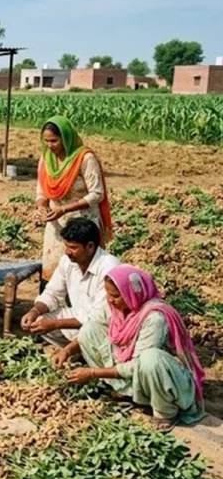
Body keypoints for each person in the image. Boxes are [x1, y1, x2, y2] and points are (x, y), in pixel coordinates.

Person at [54, 265, 206, 431]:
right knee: (88, 331)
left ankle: (166, 412)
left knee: (150, 359)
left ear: (131, 294)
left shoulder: (155, 317)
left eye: (116, 296)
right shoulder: (115, 307)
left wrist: (92, 373)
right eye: (108, 294)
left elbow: (137, 365)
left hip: (164, 378)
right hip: (133, 369)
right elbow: (94, 326)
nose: (110, 300)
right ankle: (128, 392)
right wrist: (66, 350)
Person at [36, 116, 113, 283]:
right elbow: (41, 190)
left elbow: (97, 193)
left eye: (54, 141)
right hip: (56, 223)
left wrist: (65, 209)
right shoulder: (45, 159)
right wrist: (41, 206)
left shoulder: (85, 158)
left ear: (66, 138)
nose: (50, 146)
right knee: (54, 269)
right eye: (46, 141)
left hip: (82, 220)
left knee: (82, 269)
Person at [22, 217, 120, 347]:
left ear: (90, 247)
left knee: (88, 330)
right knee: (38, 321)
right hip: (78, 316)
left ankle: (79, 350)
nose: (68, 252)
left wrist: (56, 324)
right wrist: (34, 311)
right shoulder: (67, 261)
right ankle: (76, 349)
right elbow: (53, 293)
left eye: (73, 247)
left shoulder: (109, 268)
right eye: (66, 246)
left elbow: (98, 318)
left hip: (103, 326)